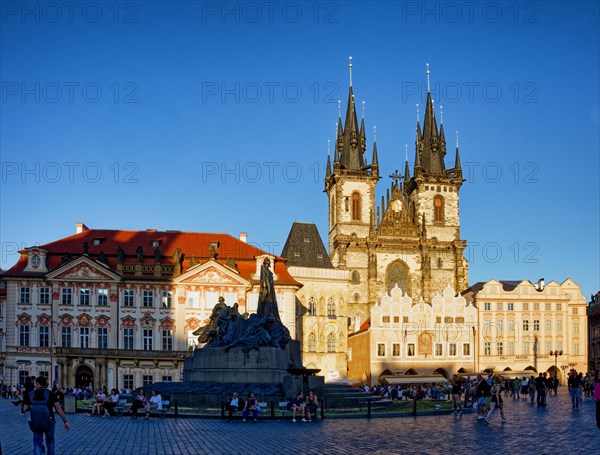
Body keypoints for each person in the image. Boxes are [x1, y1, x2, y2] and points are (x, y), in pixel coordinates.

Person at [23, 376, 70, 455]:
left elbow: (24, 408)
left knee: (37, 442)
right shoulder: (51, 394)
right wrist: (65, 421)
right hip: (49, 421)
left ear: (37, 384)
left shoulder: (30, 394)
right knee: (50, 441)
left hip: (35, 422)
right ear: (45, 384)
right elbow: (58, 408)